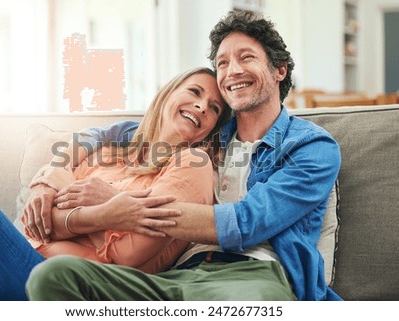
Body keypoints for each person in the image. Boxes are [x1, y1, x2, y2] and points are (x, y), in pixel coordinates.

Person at [25, 10, 342, 301]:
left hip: (255, 276)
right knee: (55, 276)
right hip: (179, 274)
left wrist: (121, 204)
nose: (232, 71)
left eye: (246, 58)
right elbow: (103, 135)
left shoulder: (311, 147)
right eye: (222, 63)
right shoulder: (206, 131)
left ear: (279, 70)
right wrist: (47, 181)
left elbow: (246, 224)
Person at [0, 67, 230, 300]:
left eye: (214, 108)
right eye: (195, 92)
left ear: (212, 129)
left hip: (55, 283)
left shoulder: (193, 165)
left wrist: (98, 208)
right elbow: (44, 221)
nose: (201, 106)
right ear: (169, 92)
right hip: (24, 252)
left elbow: (130, 254)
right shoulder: (109, 154)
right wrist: (108, 216)